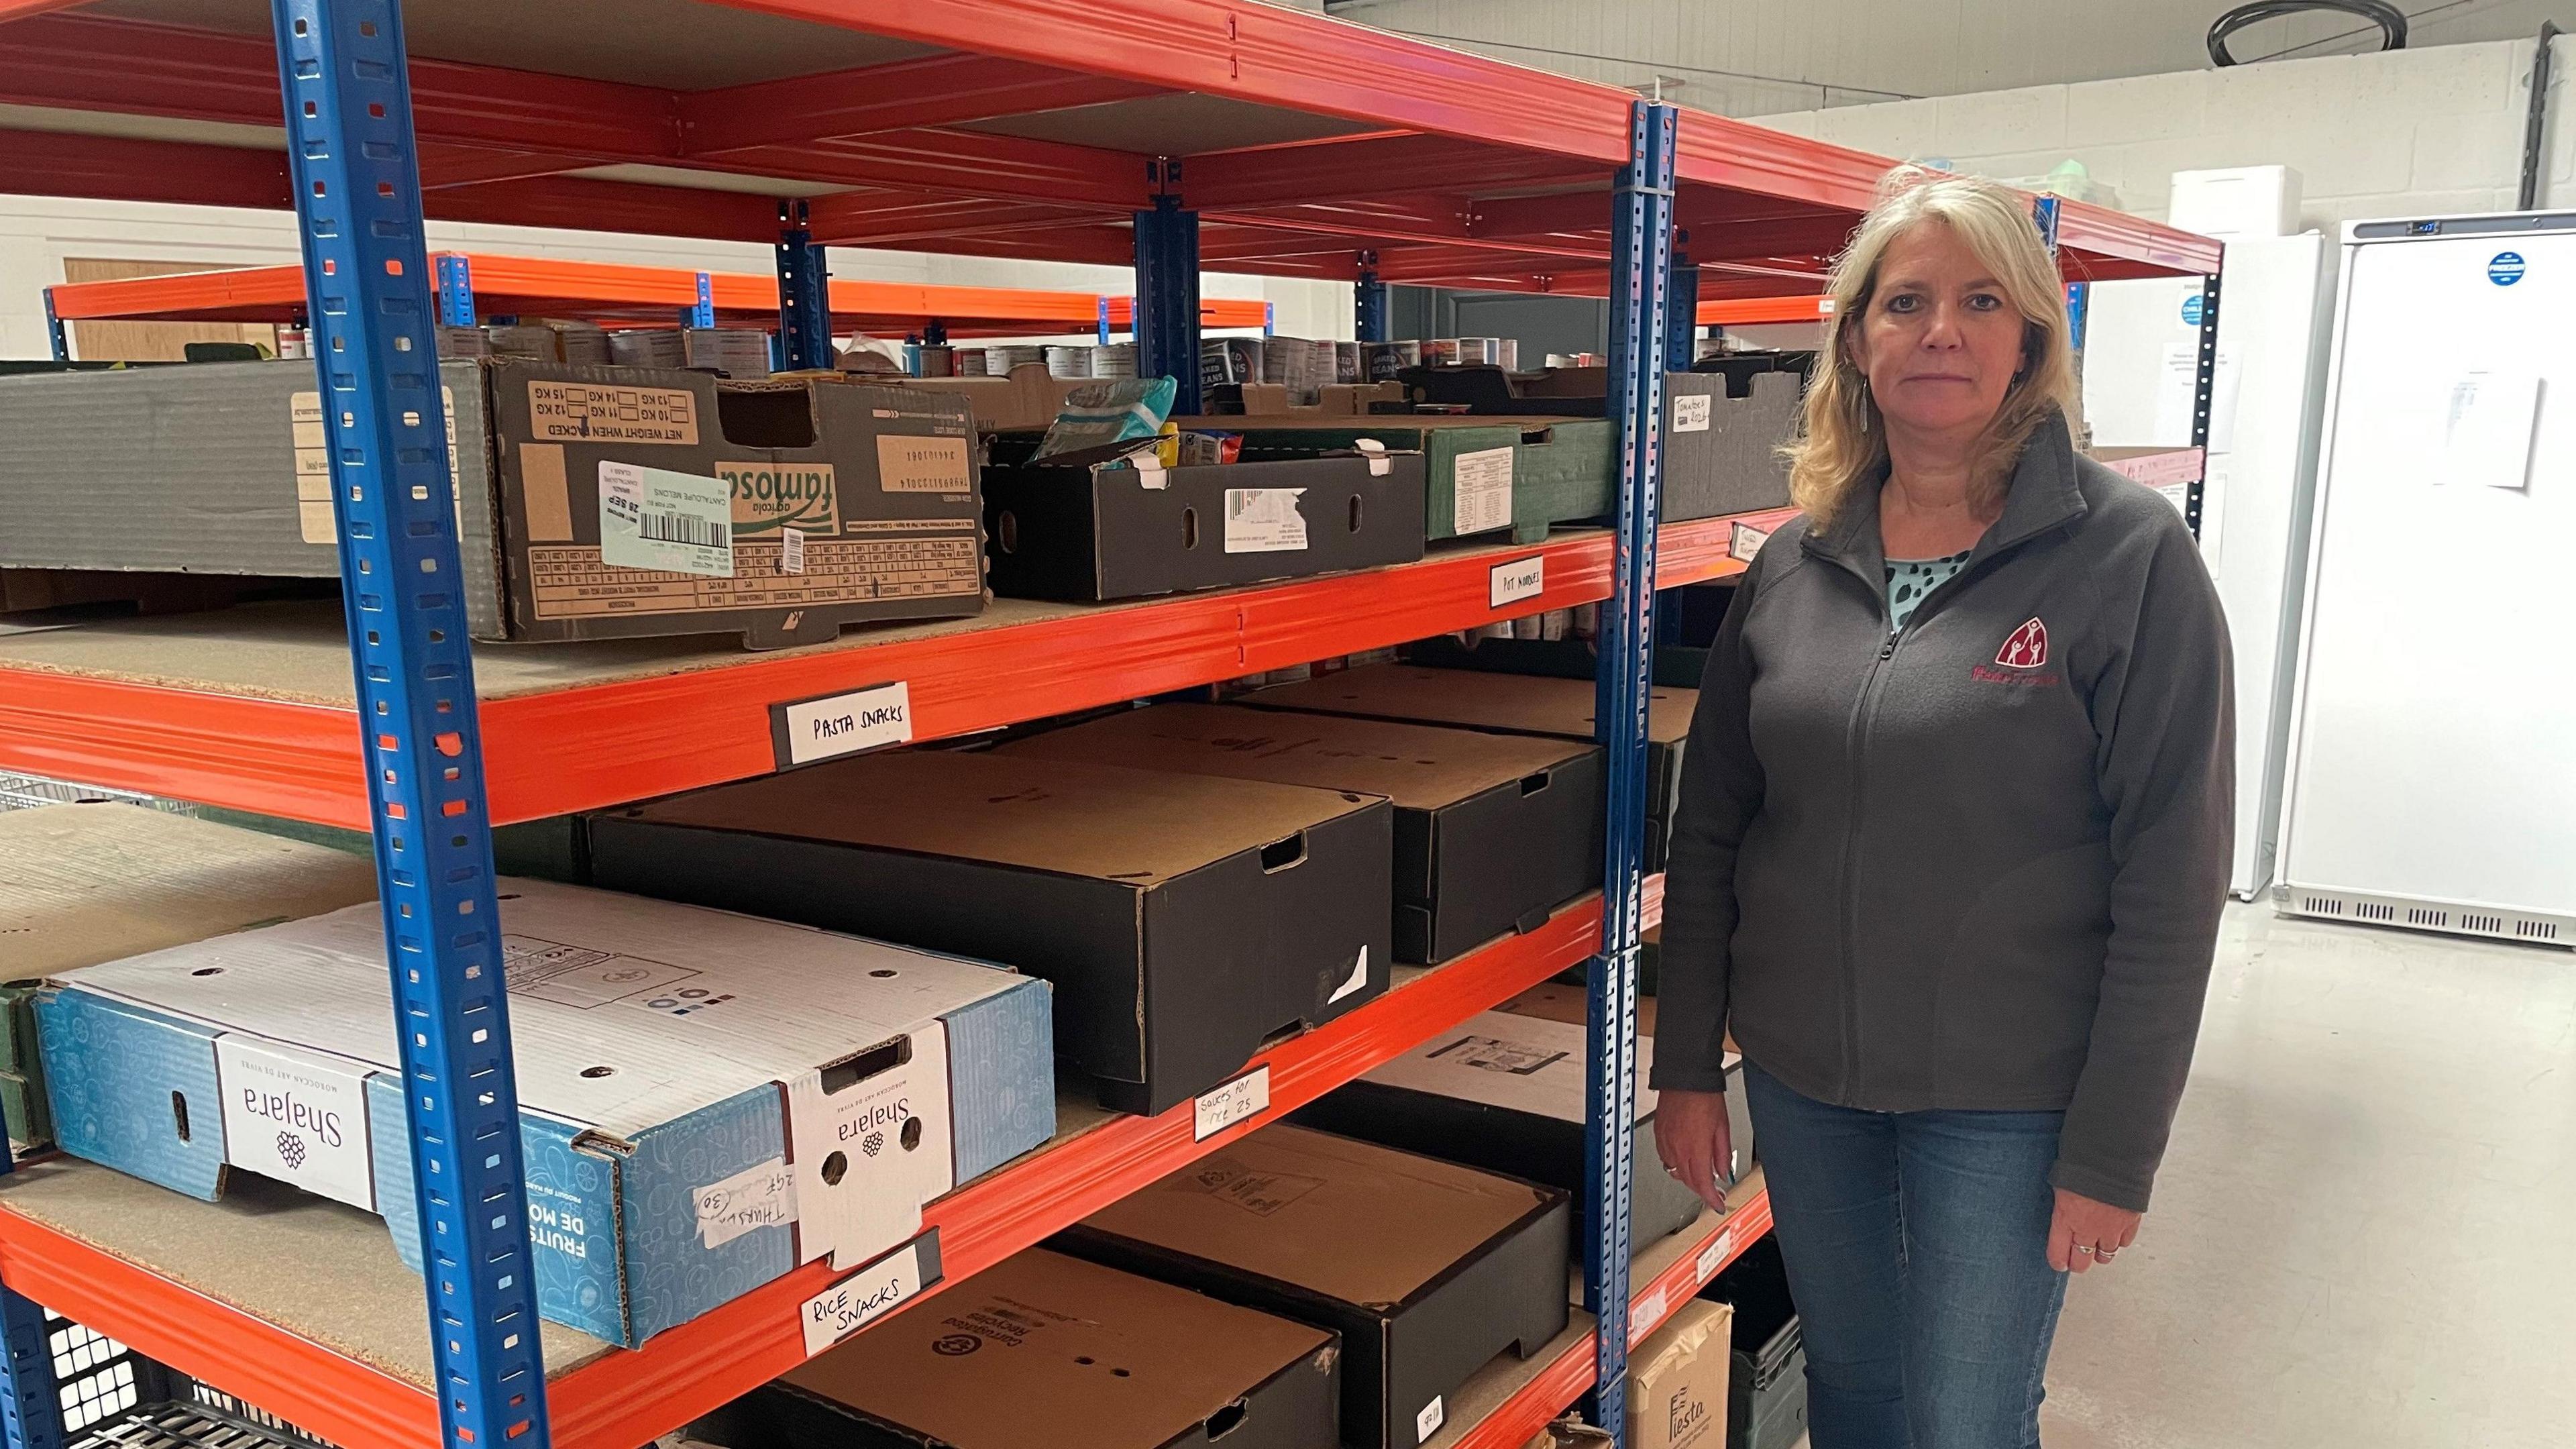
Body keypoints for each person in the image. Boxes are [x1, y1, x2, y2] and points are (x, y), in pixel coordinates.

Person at [1650, 167, 2235, 1449]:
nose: (1941, 332)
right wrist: (1686, 1064)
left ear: (2030, 337)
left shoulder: (2130, 559)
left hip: (2010, 1100)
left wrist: (2115, 1149)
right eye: (1904, 302)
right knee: (1854, 1394)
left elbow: (2172, 881)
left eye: (1980, 300)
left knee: (1968, 1419)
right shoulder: (1793, 563)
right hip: (1808, 1083)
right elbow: (1714, 834)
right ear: (1855, 339)